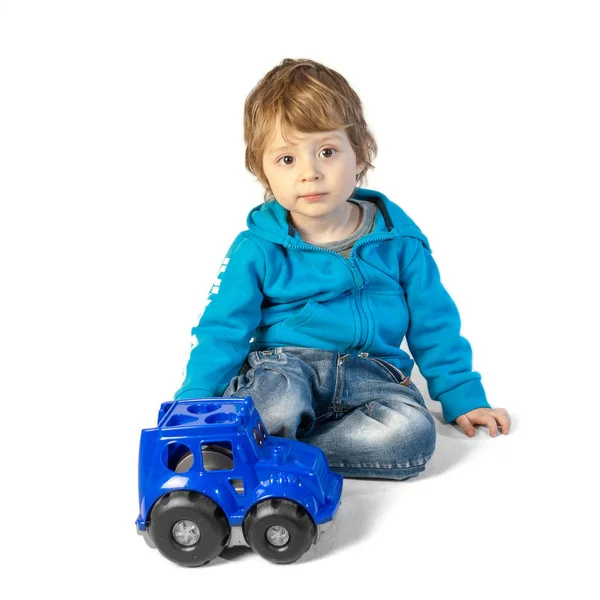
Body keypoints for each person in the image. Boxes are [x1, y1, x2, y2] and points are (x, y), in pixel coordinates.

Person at [174, 58, 511, 480]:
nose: (310, 173)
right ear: (261, 169)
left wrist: (462, 395)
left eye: (327, 152)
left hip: (372, 378)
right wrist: (195, 401)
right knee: (276, 403)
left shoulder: (398, 241)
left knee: (411, 436)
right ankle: (266, 434)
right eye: (286, 159)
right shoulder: (256, 248)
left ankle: (272, 450)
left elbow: (434, 322)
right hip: (285, 367)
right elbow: (221, 328)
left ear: (360, 153)